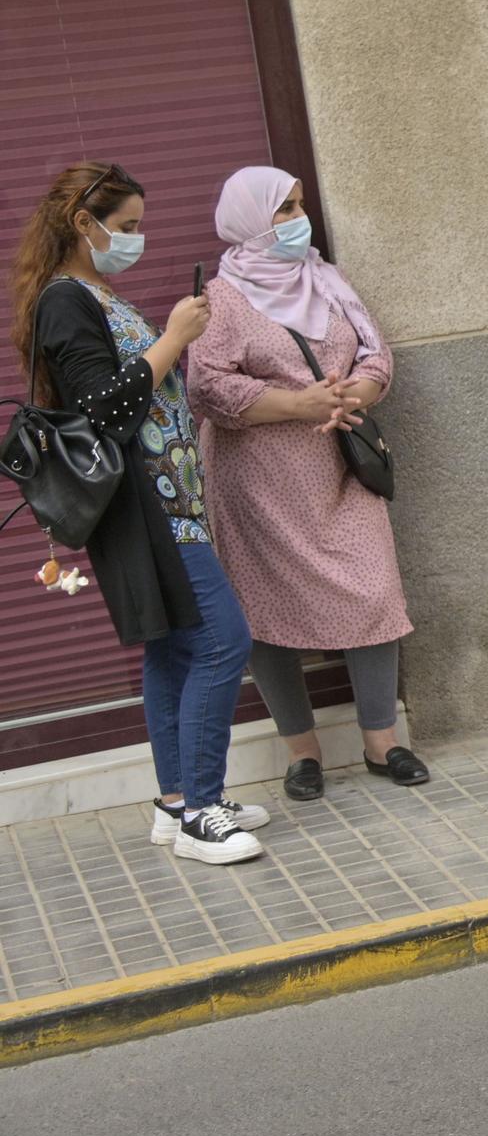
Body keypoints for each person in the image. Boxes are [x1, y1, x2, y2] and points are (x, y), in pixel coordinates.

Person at [10, 162, 265, 863]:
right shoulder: (67, 301)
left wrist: (175, 348)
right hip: (146, 506)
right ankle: (202, 815)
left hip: (171, 497)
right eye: (126, 227)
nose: (137, 239)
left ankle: (176, 800)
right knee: (222, 642)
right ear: (83, 225)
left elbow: (139, 389)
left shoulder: (95, 291)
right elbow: (101, 410)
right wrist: (174, 337)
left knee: (176, 646)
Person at [187, 166, 429, 798]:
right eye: (282, 209)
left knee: (373, 591)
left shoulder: (326, 279)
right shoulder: (223, 299)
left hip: (343, 467)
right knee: (264, 612)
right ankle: (302, 752)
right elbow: (207, 386)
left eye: (298, 205)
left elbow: (376, 351)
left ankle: (383, 741)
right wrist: (298, 403)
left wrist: (363, 387)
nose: (298, 219)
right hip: (259, 484)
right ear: (247, 221)